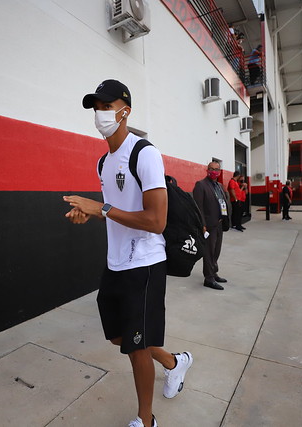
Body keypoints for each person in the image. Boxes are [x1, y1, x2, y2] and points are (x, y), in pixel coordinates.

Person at [64, 80, 193, 427]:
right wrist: (88, 212)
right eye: (96, 107)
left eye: (107, 106)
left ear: (125, 110)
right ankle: (173, 362)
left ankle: (146, 420)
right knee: (120, 337)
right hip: (116, 263)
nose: (101, 114)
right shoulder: (103, 163)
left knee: (136, 348)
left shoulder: (144, 153)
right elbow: (113, 209)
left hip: (146, 264)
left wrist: (101, 208)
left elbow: (156, 220)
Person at [193, 161, 231, 290]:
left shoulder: (219, 186)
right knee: (208, 252)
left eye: (216, 169)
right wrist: (202, 224)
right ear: (207, 170)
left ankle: (214, 272)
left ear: (220, 172)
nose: (214, 171)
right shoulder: (201, 185)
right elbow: (198, 207)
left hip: (219, 223)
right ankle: (208, 278)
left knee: (216, 250)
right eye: (211, 169)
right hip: (208, 225)